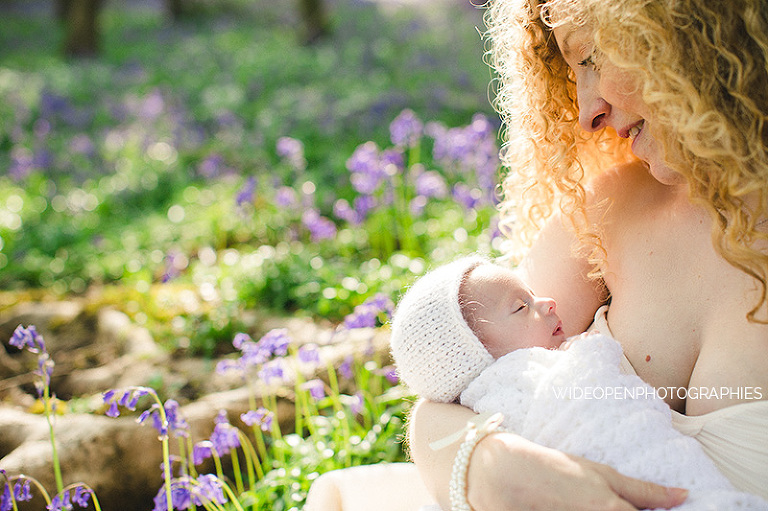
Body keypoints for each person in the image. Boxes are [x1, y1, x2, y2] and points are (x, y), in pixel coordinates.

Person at [408, 0, 768, 509]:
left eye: (594, 56)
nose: (585, 113)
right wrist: (488, 468)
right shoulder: (609, 212)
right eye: (572, 71)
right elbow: (446, 398)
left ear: (693, 33)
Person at [390, 255, 768, 510]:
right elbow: (582, 383)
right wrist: (491, 469)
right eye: (522, 306)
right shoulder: (514, 381)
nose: (549, 302)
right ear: (479, 358)